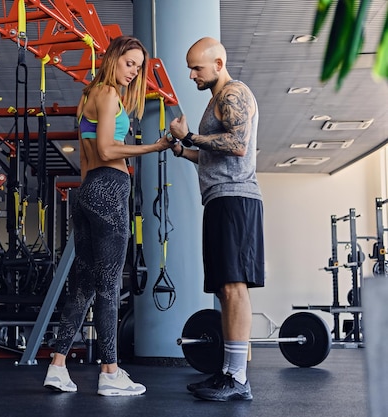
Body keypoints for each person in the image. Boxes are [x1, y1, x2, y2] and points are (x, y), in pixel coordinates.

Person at [43, 35, 172, 396]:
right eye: (129, 63)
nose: (133, 72)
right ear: (113, 58)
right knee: (109, 286)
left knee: (83, 285)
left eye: (138, 67)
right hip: (110, 190)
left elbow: (89, 153)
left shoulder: (87, 96)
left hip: (86, 192)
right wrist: (155, 145)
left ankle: (57, 365)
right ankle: (110, 371)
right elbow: (105, 148)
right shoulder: (108, 93)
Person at [167, 37, 264, 402]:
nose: (192, 74)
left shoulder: (233, 93)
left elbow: (237, 145)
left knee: (234, 287)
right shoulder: (216, 100)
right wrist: (183, 150)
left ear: (219, 64)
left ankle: (238, 377)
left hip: (236, 198)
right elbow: (215, 154)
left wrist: (190, 135)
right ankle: (228, 372)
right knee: (224, 289)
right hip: (221, 197)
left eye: (197, 68)